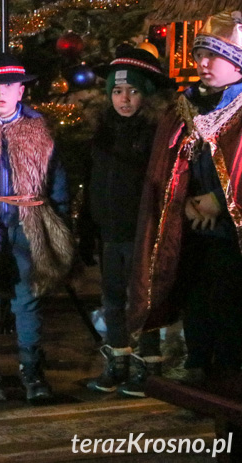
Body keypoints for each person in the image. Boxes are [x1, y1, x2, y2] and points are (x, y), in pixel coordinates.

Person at [0, 52, 75, 403]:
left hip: (29, 220)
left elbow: (57, 180)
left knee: (28, 298)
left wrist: (59, 224)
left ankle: (32, 372)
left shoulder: (41, 130)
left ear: (21, 90)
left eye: (7, 85)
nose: (0, 93)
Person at [130, 11, 242, 382]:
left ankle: (227, 373)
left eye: (216, 55)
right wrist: (190, 203)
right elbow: (168, 170)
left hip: (231, 233)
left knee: (229, 301)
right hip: (191, 226)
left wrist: (219, 201)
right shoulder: (184, 108)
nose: (204, 64)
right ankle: (197, 363)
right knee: (197, 295)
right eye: (200, 55)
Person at [82, 46, 171, 396]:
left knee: (142, 299)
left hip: (141, 231)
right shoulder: (101, 133)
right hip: (110, 231)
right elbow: (91, 182)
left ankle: (147, 364)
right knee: (113, 298)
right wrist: (88, 229)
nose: (124, 98)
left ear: (145, 95)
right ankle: (117, 359)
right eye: (118, 91)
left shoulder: (154, 135)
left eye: (133, 91)